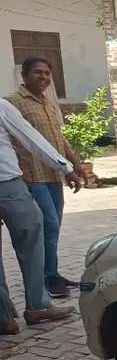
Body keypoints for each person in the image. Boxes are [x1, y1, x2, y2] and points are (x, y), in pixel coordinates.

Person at [5, 58, 87, 298]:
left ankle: (52, 272)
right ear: (24, 75)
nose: (43, 77)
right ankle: (46, 278)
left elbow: (59, 140)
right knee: (47, 224)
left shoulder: (49, 103)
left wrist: (74, 165)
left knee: (54, 226)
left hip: (53, 173)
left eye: (47, 73)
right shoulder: (12, 104)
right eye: (38, 72)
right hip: (32, 176)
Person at [0, 97, 80, 334]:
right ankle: (25, 310)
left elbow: (31, 139)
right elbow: (32, 139)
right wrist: (65, 167)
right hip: (8, 184)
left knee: (33, 233)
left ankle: (20, 311)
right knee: (33, 236)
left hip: (9, 183)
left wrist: (64, 166)